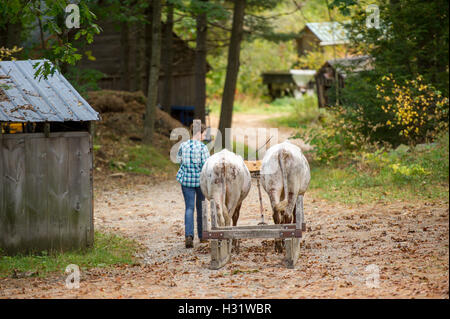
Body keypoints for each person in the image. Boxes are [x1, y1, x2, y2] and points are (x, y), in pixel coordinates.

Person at [176, 122, 210, 248]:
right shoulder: (202, 148)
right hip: (200, 182)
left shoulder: (183, 146)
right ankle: (202, 236)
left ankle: (189, 236)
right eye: (204, 134)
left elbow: (179, 160)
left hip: (186, 181)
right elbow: (206, 166)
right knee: (201, 207)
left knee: (189, 208)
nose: (204, 137)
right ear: (198, 133)